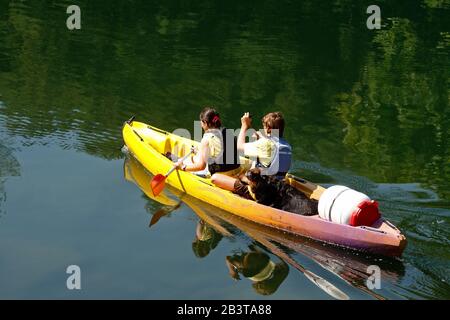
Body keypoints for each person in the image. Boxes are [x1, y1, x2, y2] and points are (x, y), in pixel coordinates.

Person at [211, 111, 292, 198]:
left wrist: (244, 126)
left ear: (268, 128)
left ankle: (245, 193)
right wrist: (260, 139)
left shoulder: (264, 144)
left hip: (260, 191)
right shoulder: (287, 146)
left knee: (215, 178)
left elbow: (239, 147)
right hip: (277, 187)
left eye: (264, 127)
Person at [173, 107, 241, 176]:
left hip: (222, 174)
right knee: (198, 155)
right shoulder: (227, 131)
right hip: (237, 169)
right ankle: (179, 159)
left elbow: (201, 167)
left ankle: (178, 161)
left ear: (205, 123)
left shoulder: (206, 139)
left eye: (201, 122)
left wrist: (183, 167)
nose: (201, 124)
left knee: (191, 161)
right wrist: (200, 152)